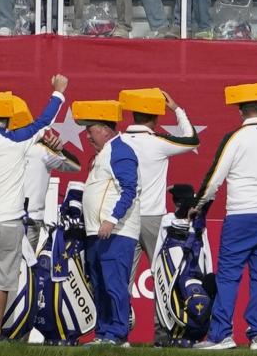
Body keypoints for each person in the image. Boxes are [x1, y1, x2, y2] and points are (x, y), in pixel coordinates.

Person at [0, 76, 68, 343]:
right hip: (6, 221)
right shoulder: (15, 140)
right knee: (1, 279)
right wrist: (57, 93)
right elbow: (44, 121)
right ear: (8, 121)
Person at [193, 82, 257, 350]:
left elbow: (215, 177)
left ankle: (221, 335)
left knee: (228, 276)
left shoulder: (234, 138)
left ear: (240, 112)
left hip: (240, 216)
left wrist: (200, 202)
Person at [119, 88, 200, 345]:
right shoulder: (159, 142)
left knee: (122, 280)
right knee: (164, 278)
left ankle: (118, 334)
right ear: (155, 118)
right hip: (154, 218)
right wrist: (177, 109)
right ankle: (162, 336)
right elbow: (192, 139)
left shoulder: (119, 141)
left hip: (124, 217)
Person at [73, 98, 141, 347]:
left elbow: (129, 189)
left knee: (114, 285)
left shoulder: (120, 151)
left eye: (90, 131)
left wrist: (111, 220)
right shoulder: (103, 154)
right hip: (96, 233)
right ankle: (103, 333)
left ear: (103, 129)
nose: (88, 137)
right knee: (100, 285)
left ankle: (117, 334)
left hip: (116, 232)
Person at [17, 97, 80, 249]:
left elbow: (75, 167)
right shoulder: (41, 150)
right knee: (22, 269)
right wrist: (59, 151)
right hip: (25, 218)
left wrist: (58, 150)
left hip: (16, 219)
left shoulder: (0, 146)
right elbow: (75, 167)